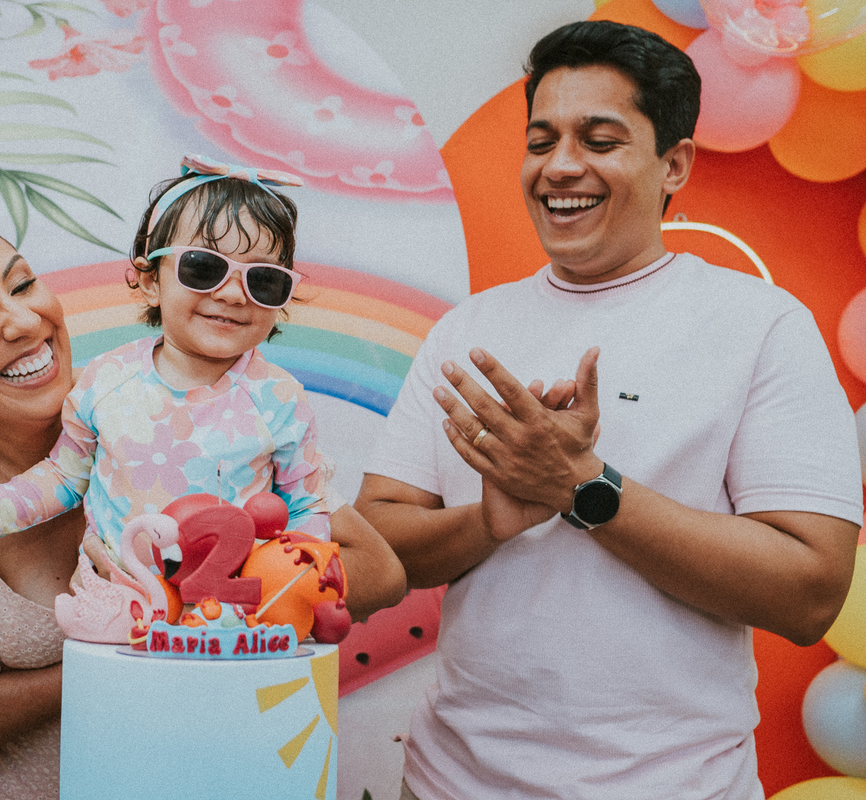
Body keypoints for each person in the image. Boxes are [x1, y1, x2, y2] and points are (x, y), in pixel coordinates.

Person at [356, 20, 861, 800]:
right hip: (451, 783)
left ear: (675, 164)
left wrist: (585, 489)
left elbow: (809, 592)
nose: (561, 167)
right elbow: (379, 541)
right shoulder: (469, 328)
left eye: (600, 140)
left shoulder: (760, 325)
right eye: (541, 139)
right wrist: (490, 520)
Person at [0, 213, 404, 800]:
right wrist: (122, 649)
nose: (23, 321)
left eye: (23, 284)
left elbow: (380, 571)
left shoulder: (153, 404)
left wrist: (220, 578)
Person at [0, 155, 332, 567]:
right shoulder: (107, 380)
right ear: (150, 281)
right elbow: (62, 477)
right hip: (119, 604)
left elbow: (307, 508)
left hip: (230, 615)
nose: (233, 294)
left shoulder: (278, 398)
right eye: (203, 269)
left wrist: (291, 580)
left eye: (263, 280)